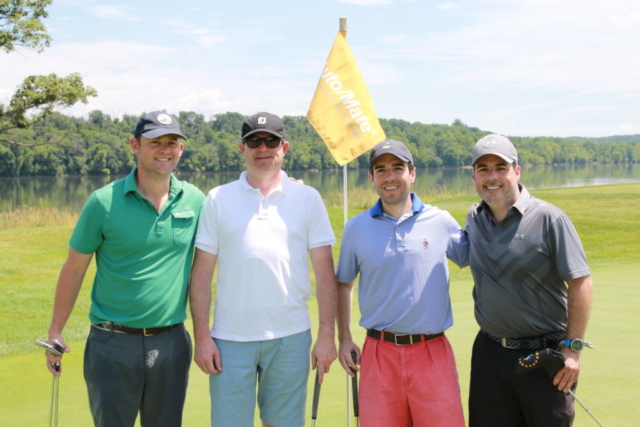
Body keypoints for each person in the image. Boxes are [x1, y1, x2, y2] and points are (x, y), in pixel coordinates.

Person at [43, 111, 205, 427]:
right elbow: (74, 269)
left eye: (172, 142)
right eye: (155, 142)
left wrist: (285, 185)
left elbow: (235, 220)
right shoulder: (102, 202)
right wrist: (55, 331)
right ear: (135, 145)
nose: (165, 149)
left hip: (171, 342)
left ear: (181, 149)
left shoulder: (195, 200)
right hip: (112, 345)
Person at [189, 112, 338, 427]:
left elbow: (325, 271)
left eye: (271, 141)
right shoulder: (217, 198)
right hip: (230, 338)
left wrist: (327, 333)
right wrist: (201, 336)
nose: (263, 148)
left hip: (291, 336)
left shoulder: (308, 198)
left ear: (284, 147)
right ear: (242, 148)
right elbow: (201, 273)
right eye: (254, 141)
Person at [336, 139, 469, 427]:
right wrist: (344, 338)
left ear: (412, 173)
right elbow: (344, 284)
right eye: (381, 170)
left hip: (431, 352)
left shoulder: (441, 221)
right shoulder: (356, 227)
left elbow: (477, 259)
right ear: (371, 177)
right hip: (378, 353)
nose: (390, 177)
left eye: (397, 168)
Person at [466, 134, 593, 427]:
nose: (492, 177)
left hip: (544, 356)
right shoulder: (474, 217)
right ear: (474, 176)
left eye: (501, 168)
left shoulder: (550, 218)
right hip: (489, 355)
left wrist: (573, 348)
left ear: (517, 171)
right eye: (483, 169)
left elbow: (580, 282)